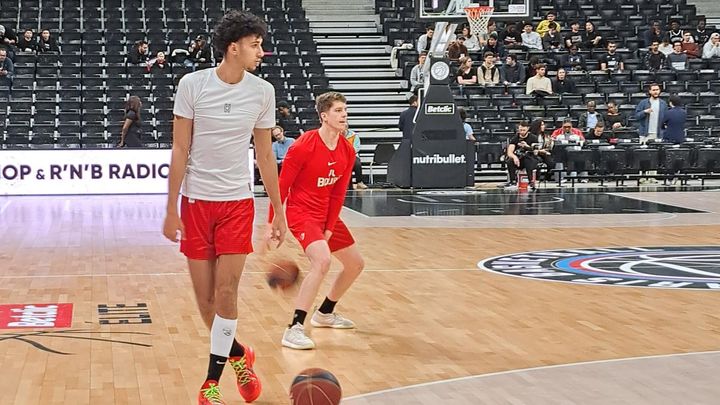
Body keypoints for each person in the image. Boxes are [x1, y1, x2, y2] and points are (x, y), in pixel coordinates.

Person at [162, 10, 286, 405]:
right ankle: (238, 355)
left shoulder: (262, 91)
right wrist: (170, 208)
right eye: (254, 45)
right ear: (233, 48)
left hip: (237, 202)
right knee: (206, 304)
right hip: (197, 202)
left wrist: (278, 212)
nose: (260, 52)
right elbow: (180, 148)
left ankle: (210, 383)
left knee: (227, 291)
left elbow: (266, 156)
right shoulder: (192, 85)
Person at [268, 91, 365, 350]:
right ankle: (294, 328)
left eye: (345, 109)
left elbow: (338, 192)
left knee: (355, 264)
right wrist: (273, 222)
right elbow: (282, 185)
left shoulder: (347, 149)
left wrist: (331, 227)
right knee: (321, 261)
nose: (344, 114)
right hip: (301, 213)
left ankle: (324, 313)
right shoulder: (303, 145)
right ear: (324, 116)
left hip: (325, 213)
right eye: (337, 110)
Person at [505, 121, 539, 190]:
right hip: (519, 158)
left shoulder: (533, 138)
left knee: (527, 160)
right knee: (509, 161)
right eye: (520, 130)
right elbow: (509, 152)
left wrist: (527, 146)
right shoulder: (515, 138)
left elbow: (535, 152)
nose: (522, 132)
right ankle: (513, 181)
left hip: (531, 158)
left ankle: (531, 182)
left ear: (528, 129)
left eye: (524, 130)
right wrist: (514, 157)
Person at [344, 125, 368, 189]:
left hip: (352, 155)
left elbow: (357, 148)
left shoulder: (354, 135)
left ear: (347, 128)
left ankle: (359, 182)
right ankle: (346, 184)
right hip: (340, 156)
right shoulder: (335, 135)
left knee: (357, 163)